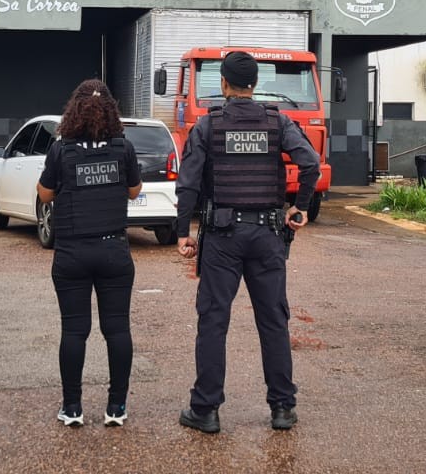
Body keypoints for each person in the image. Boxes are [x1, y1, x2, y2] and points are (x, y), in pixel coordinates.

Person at [174, 51, 321, 434]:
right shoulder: (278, 122)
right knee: (273, 320)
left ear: (223, 84)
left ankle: (205, 410)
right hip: (268, 235)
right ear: (255, 84)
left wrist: (181, 232)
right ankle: (283, 408)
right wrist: (299, 208)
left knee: (213, 320)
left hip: (222, 237)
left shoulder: (208, 127)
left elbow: (188, 182)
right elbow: (310, 164)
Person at [35, 79, 142, 427]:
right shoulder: (121, 148)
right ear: (111, 110)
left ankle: (72, 408)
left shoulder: (61, 149)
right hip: (113, 249)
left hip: (72, 253)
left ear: (73, 111)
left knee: (74, 330)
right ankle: (116, 408)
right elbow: (134, 190)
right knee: (117, 329)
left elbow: (46, 194)